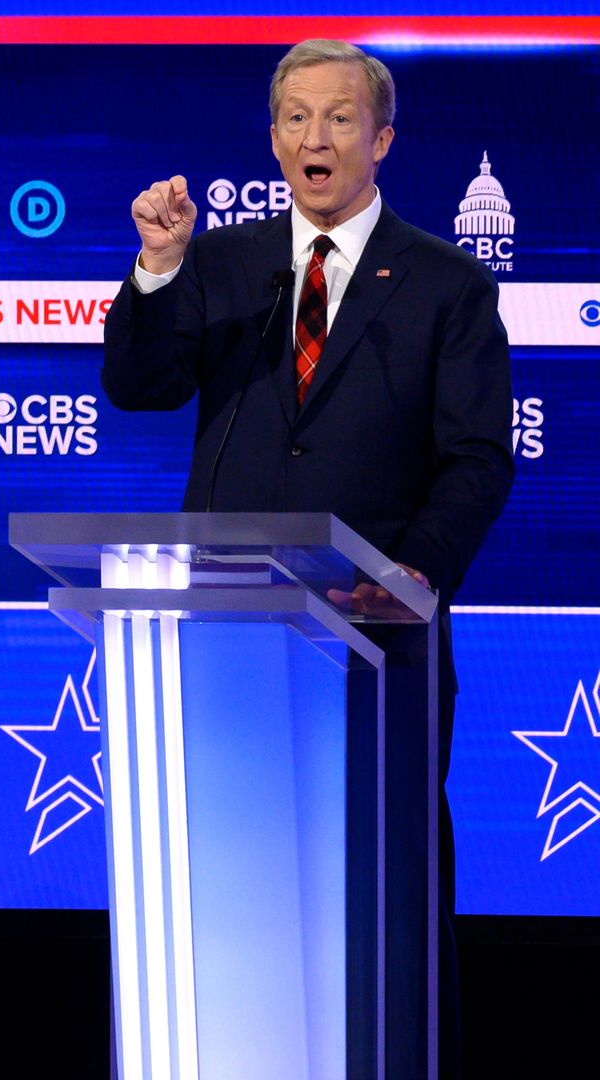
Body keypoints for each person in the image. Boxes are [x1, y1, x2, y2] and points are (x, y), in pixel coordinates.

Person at [103, 39, 512, 1077]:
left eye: (337, 118)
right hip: (225, 631)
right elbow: (141, 387)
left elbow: (476, 457)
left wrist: (410, 575)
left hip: (377, 639)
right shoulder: (221, 263)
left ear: (381, 139)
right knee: (226, 868)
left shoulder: (447, 283)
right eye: (294, 117)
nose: (313, 137)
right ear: (275, 138)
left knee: (388, 886)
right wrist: (157, 268)